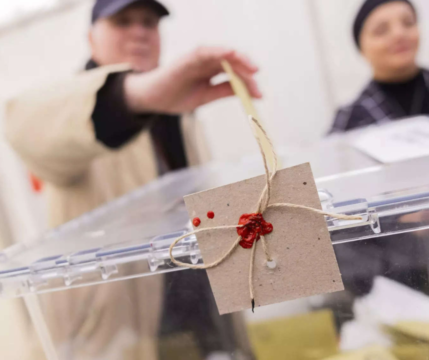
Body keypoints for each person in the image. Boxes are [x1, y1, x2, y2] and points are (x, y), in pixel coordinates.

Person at [5, 0, 260, 359]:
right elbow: (22, 123)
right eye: (122, 21)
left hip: (199, 316)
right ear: (91, 39)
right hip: (119, 332)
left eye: (149, 22)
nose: (139, 31)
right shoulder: (76, 109)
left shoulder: (179, 114)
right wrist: (138, 94)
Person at [330, 0, 429, 132]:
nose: (399, 34)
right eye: (381, 30)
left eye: (408, 23)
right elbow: (318, 163)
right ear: (361, 48)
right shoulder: (350, 119)